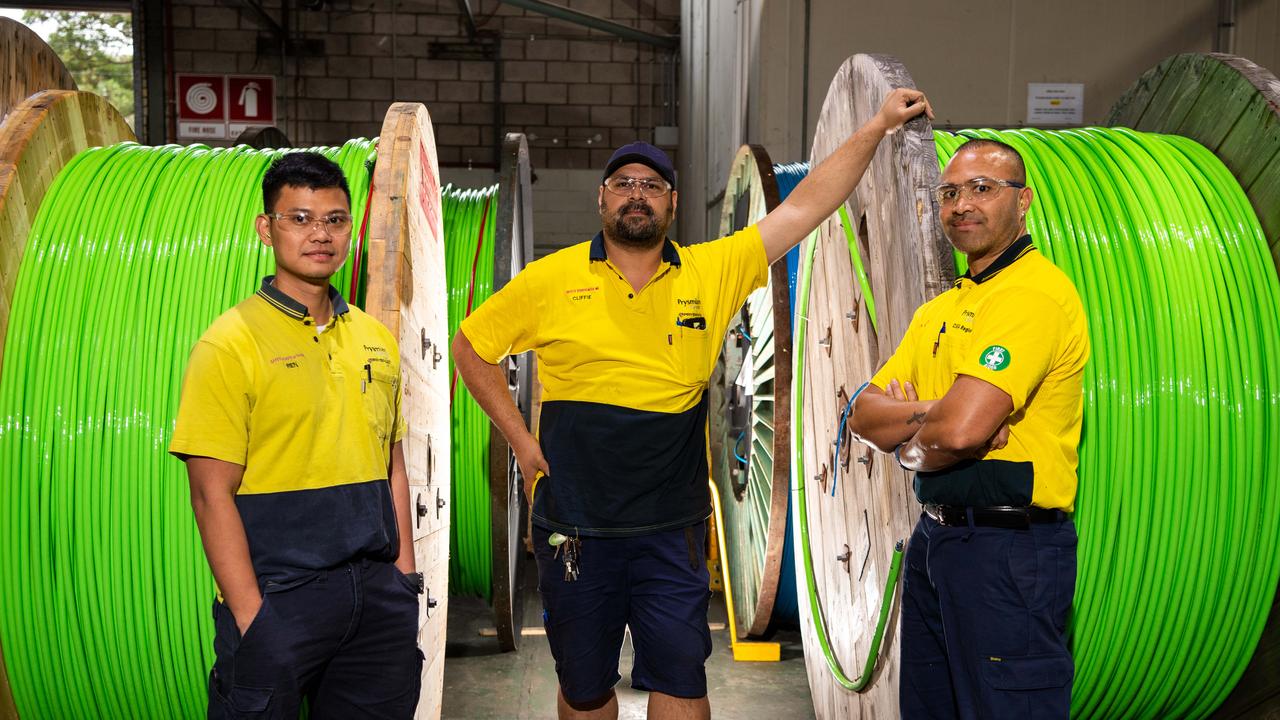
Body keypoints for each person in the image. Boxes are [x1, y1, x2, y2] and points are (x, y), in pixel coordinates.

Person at [452, 89, 932, 720]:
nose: (636, 194)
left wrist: (874, 125)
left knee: (681, 683)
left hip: (669, 528)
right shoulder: (549, 279)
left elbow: (812, 202)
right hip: (577, 526)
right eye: (622, 183)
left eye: (652, 185)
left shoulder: (716, 268)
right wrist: (520, 440)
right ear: (602, 199)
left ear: (672, 204)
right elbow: (470, 348)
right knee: (584, 688)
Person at [169, 152, 422, 719]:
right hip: (279, 602)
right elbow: (211, 495)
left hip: (377, 602)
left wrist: (403, 580)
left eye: (334, 220)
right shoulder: (230, 345)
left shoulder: (375, 339)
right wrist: (252, 617)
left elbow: (393, 465)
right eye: (300, 218)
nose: (320, 235)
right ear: (267, 228)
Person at [850, 138, 1090, 719]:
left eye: (983, 188)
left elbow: (959, 433)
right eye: (951, 192)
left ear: (1023, 200)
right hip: (937, 541)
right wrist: (938, 420)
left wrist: (919, 433)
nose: (962, 204)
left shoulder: (1032, 296)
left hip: (1008, 552)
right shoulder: (939, 310)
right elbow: (860, 415)